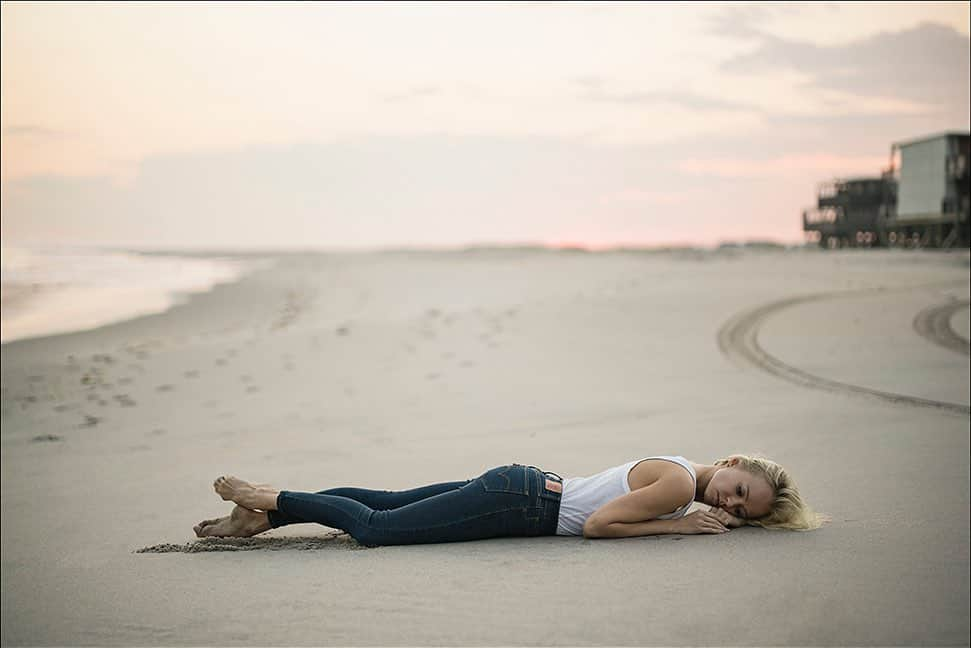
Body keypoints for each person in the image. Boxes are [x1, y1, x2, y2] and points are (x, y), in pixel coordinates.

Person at [193, 454, 824, 546]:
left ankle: (266, 516)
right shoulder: (685, 486)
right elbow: (600, 527)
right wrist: (680, 530)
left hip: (522, 487)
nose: (731, 504)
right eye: (739, 491)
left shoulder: (685, 474)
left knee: (387, 499)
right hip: (525, 505)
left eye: (742, 511)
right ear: (735, 464)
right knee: (382, 528)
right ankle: (269, 494)